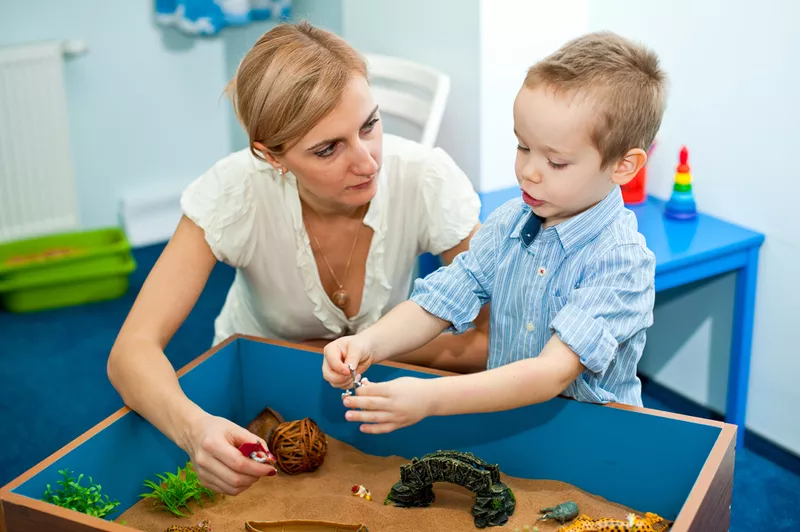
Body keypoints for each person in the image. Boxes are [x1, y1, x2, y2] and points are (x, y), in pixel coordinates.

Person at [107, 21, 486, 496]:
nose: (368, 162)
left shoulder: (426, 178)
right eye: (328, 149)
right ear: (272, 157)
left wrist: (353, 347)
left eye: (369, 124)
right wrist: (194, 430)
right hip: (256, 397)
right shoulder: (234, 190)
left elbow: (494, 339)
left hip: (377, 392)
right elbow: (130, 353)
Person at [322, 31, 667, 435]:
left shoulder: (619, 260)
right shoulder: (510, 222)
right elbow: (442, 299)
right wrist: (370, 342)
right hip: (511, 421)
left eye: (556, 162)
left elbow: (551, 374)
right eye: (523, 147)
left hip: (592, 437)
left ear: (623, 166)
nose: (528, 171)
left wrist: (431, 397)